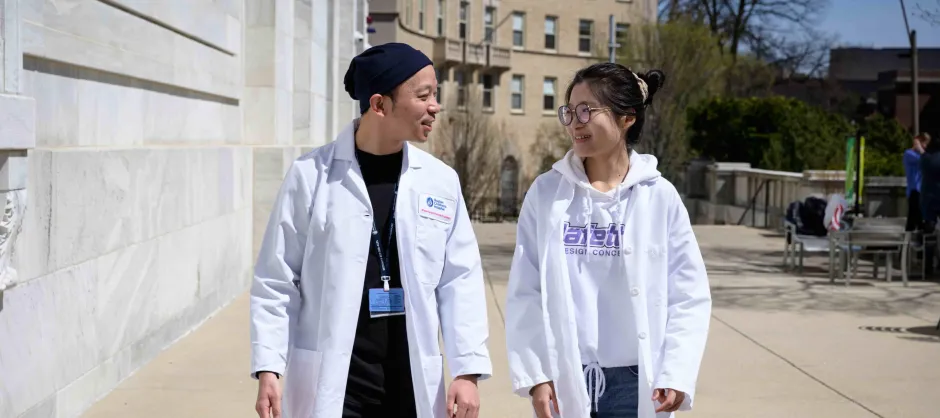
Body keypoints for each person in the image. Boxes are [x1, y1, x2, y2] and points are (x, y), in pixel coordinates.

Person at [250, 42, 492, 418]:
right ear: (379, 105)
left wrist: (467, 370)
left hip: (412, 387)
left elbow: (460, 281)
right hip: (337, 388)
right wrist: (269, 365)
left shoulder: (440, 181)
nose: (435, 106)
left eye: (435, 94)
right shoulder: (311, 176)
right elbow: (277, 279)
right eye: (424, 95)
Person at [504, 63, 712, 418]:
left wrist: (676, 372)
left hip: (637, 383)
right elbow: (526, 291)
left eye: (587, 110)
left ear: (626, 117)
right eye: (569, 111)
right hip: (565, 376)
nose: (575, 122)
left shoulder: (659, 196)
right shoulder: (547, 193)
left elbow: (688, 294)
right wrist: (537, 375)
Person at [903, 133, 927, 232]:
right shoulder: (909, 154)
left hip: (923, 190)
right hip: (914, 189)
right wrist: (920, 149)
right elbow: (925, 159)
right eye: (924, 143)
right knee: (915, 217)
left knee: (918, 218)